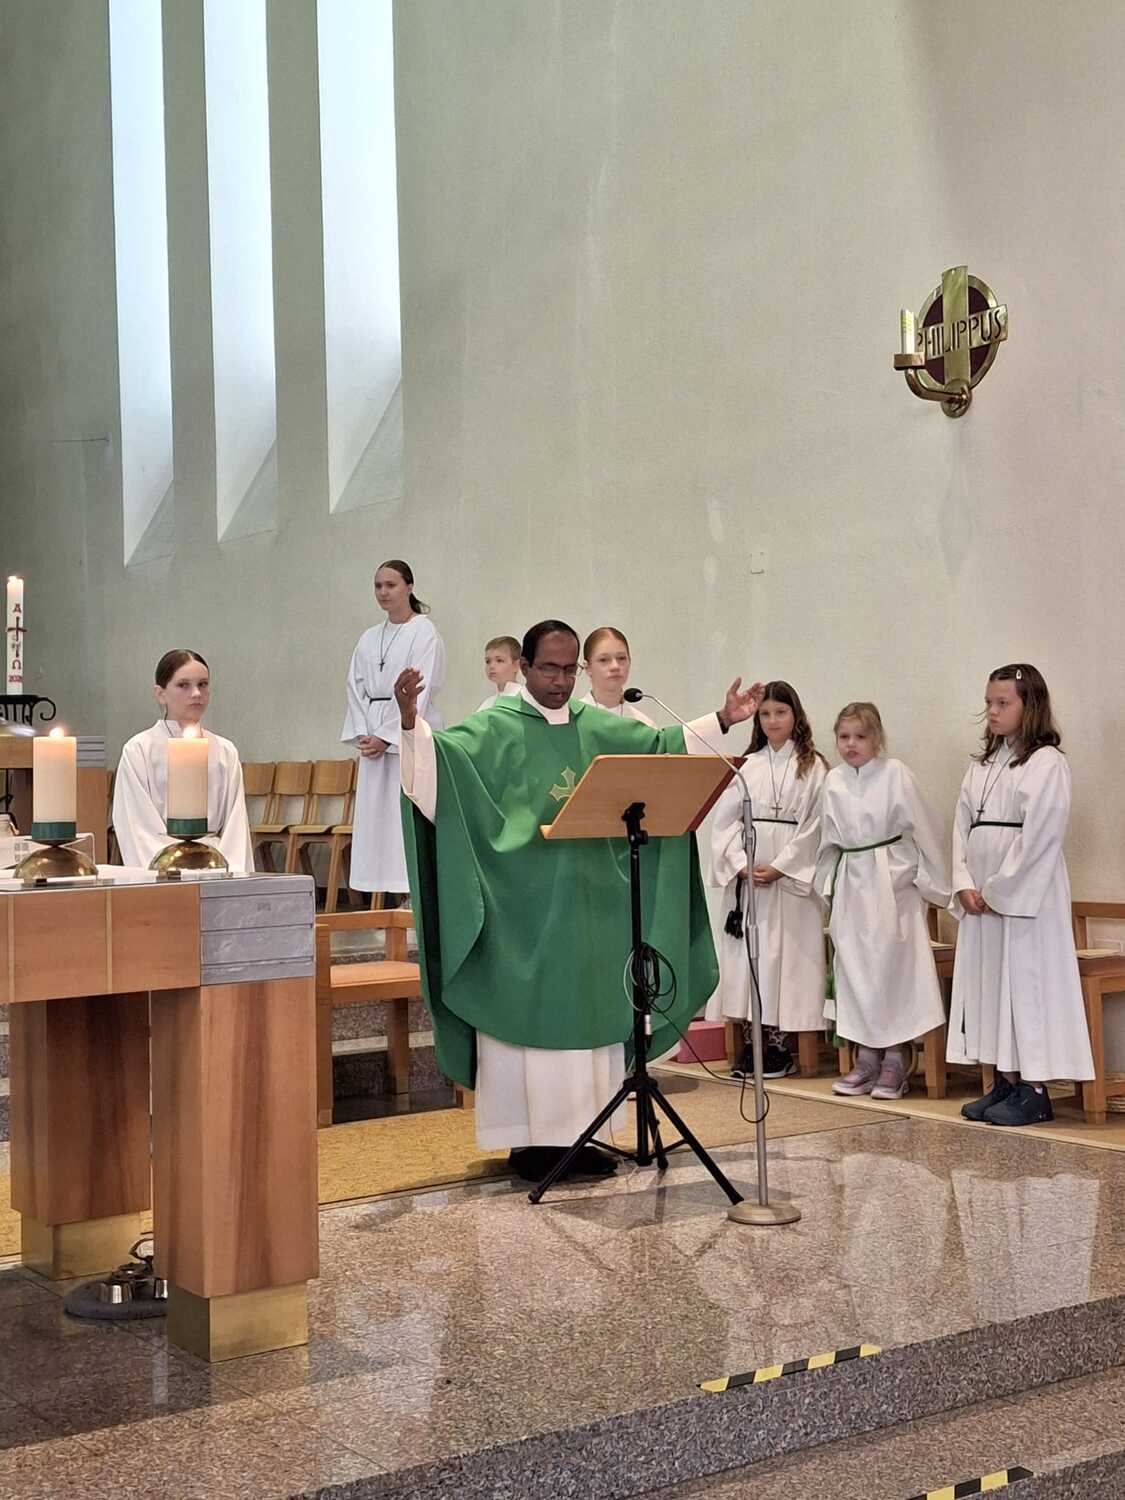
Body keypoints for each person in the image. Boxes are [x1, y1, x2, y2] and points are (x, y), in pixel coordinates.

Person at [396, 619, 764, 1181]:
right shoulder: (492, 729)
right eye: (549, 668)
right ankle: (527, 1142)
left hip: (593, 913)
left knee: (592, 1018)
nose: (561, 681)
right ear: (524, 667)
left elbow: (661, 750)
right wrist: (408, 721)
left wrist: (723, 719)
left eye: (570, 670)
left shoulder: (598, 726)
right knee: (525, 1029)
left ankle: (583, 1135)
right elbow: (437, 771)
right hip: (523, 914)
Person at [948, 664, 1094, 1126]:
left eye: (1002, 703)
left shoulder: (1047, 763)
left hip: (1024, 895)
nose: (992, 712)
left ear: (1029, 706)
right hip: (983, 895)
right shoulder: (982, 765)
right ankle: (1006, 1080)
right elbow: (961, 827)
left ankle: (1035, 1089)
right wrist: (964, 882)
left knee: (1025, 985)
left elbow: (1041, 835)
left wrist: (998, 889)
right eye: (988, 703)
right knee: (991, 985)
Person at [815, 702, 949, 1100]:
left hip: (892, 883)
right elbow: (826, 839)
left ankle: (895, 1057)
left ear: (877, 738)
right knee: (855, 968)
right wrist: (827, 884)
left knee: (892, 967)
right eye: (844, 737)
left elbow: (925, 825)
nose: (851, 744)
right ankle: (866, 1057)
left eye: (860, 736)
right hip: (852, 884)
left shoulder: (896, 774)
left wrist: (928, 880)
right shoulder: (834, 781)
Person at [706, 681, 828, 1079]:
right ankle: (752, 1040)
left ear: (796, 715)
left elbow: (816, 826)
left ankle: (780, 1045)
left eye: (780, 712)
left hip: (789, 877)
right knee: (750, 958)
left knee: (784, 960)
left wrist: (782, 865)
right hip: (750, 875)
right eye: (765, 714)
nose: (773, 721)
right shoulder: (746, 766)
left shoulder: (813, 766)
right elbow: (723, 823)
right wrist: (740, 863)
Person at [341, 560, 445, 900]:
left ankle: (415, 892)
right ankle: (387, 893)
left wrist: (388, 737)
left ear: (409, 587)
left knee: (405, 812)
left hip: (407, 732)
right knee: (377, 819)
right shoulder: (369, 637)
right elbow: (355, 686)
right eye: (378, 586)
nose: (383, 592)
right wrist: (364, 733)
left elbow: (420, 687)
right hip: (372, 733)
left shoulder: (424, 631)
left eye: (391, 585)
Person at [113, 649, 253, 872]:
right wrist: (170, 869)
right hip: (163, 868)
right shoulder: (139, 750)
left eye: (203, 684)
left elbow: (236, 826)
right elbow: (137, 824)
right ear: (160, 693)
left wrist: (231, 871)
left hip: (217, 866)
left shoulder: (225, 751)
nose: (196, 693)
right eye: (183, 685)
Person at [578, 626, 656, 726]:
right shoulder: (573, 718)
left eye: (621, 658)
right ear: (587, 667)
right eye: (604, 660)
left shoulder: (643, 725)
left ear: (629, 662)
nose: (615, 666)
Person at [476, 635, 523, 712]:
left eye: (499, 660)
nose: (491, 666)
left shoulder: (526, 700)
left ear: (516, 665)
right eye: (488, 661)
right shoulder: (487, 703)